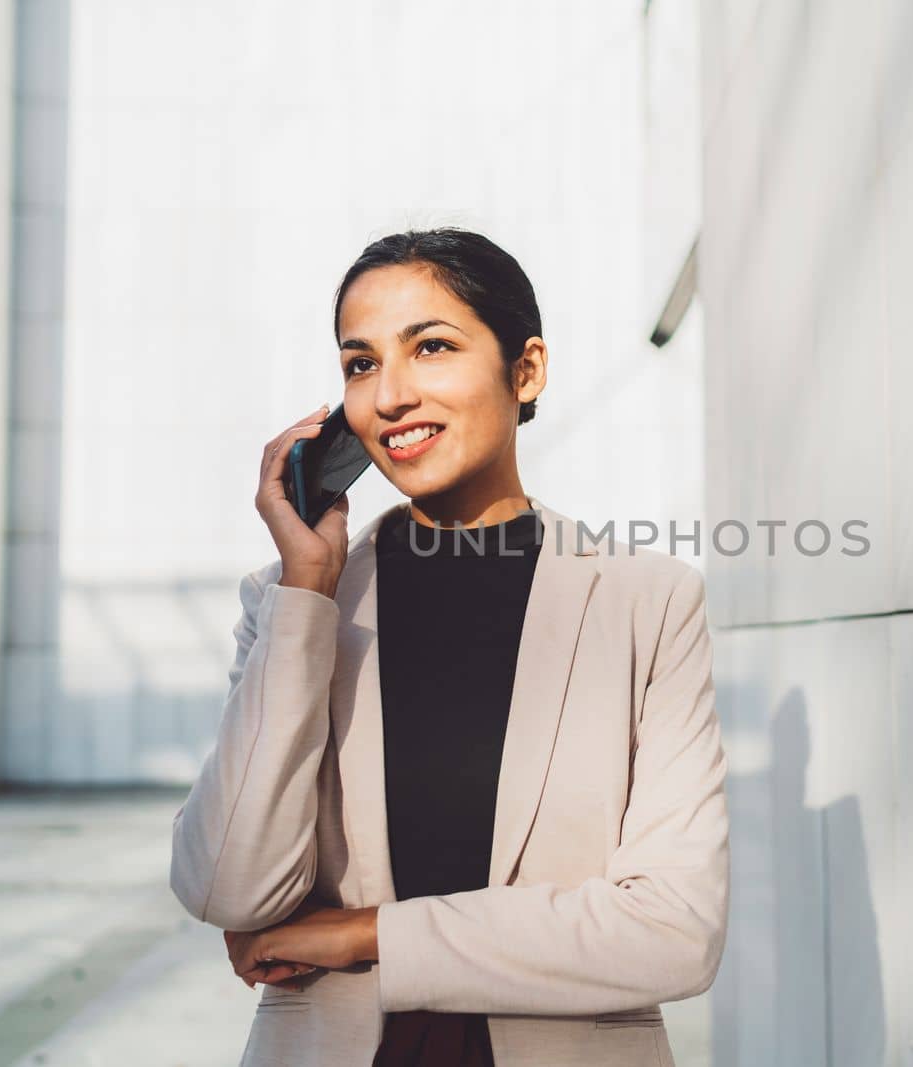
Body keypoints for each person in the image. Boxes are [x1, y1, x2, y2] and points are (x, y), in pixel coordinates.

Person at [169, 227, 730, 1067]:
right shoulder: (292, 602)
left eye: (431, 347)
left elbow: (672, 931)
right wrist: (306, 589)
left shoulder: (646, 602)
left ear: (526, 369)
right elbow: (231, 888)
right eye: (360, 363)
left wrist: (360, 934)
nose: (389, 396)